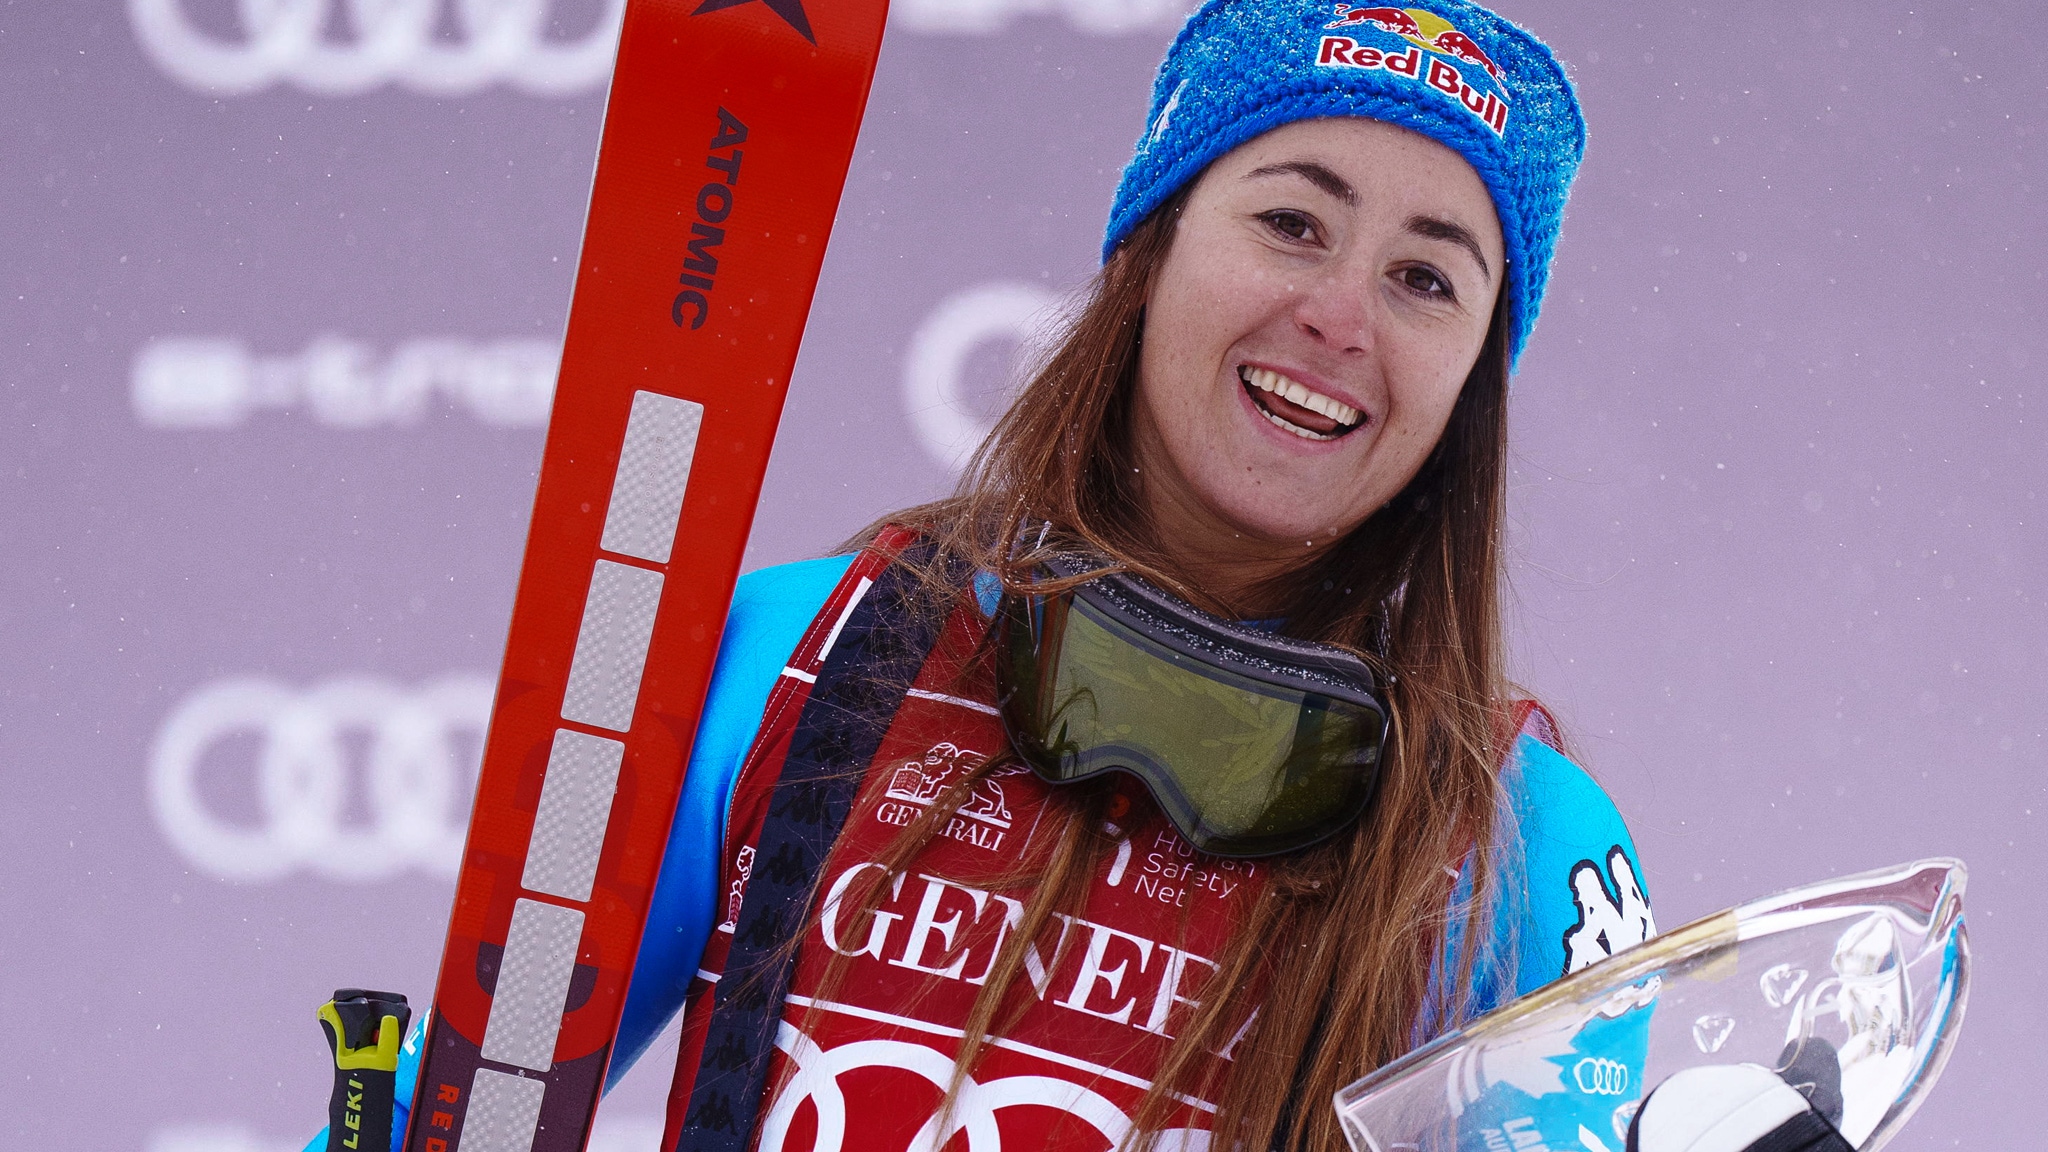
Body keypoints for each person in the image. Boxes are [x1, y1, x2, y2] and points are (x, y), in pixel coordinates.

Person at [311, 1, 1655, 1149]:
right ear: (1152, 250)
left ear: (1476, 381)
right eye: (1294, 221)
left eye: (1428, 278)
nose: (1339, 315)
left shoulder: (1530, 848)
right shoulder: (790, 653)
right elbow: (487, 1094)